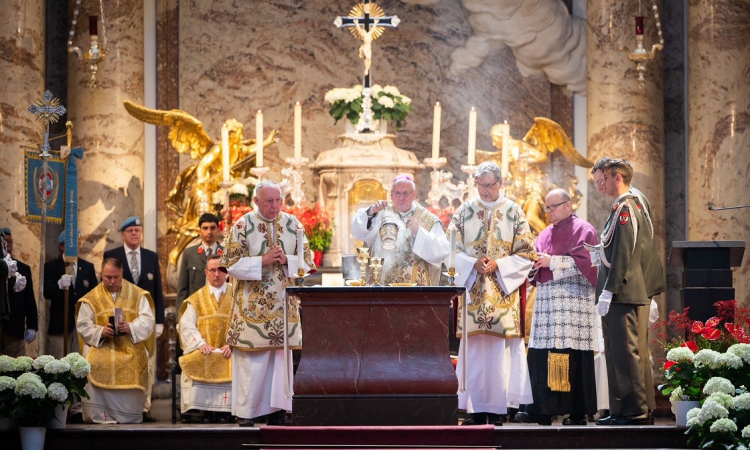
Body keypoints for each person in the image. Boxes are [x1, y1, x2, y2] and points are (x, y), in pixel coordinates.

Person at [220, 180, 315, 427]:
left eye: (278, 201)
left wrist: (288, 260)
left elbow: (307, 265)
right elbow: (229, 265)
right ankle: (248, 412)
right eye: (269, 201)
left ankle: (278, 411)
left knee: (280, 363)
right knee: (254, 363)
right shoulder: (242, 226)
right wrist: (261, 260)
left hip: (284, 307)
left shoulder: (294, 225)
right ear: (256, 202)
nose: (274, 206)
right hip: (252, 308)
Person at [450, 162, 536, 426]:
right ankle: (475, 409)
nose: (485, 191)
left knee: (500, 355)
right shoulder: (464, 212)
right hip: (473, 294)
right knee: (474, 354)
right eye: (481, 185)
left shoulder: (514, 211)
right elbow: (450, 250)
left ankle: (498, 410)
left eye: (490, 185)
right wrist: (471, 263)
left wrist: (500, 264)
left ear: (500, 183)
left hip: (502, 297)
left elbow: (527, 253)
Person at [592, 157, 664, 421]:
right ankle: (625, 409)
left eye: (602, 180)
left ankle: (636, 411)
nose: (599, 186)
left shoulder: (626, 208)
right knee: (619, 352)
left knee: (626, 352)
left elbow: (625, 253)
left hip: (624, 291)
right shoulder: (628, 204)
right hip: (625, 289)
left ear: (616, 177)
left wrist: (609, 290)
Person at [521, 189, 599, 426]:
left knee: (572, 356)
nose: (549, 212)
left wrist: (552, 261)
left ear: (568, 205)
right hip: (546, 307)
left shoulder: (585, 230)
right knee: (543, 356)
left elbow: (590, 264)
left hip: (572, 306)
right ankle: (543, 409)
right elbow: (533, 267)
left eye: (553, 207)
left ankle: (576, 412)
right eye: (547, 208)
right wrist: (534, 264)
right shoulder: (544, 234)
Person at [76, 258, 155, 424]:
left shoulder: (137, 294)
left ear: (122, 274)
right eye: (107, 277)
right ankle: (99, 416)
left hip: (130, 347)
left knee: (136, 362)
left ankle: (129, 416)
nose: (111, 281)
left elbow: (148, 320)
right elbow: (83, 325)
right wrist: (100, 332)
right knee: (92, 364)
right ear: (101, 275)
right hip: (102, 347)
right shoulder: (91, 298)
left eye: (115, 277)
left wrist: (130, 328)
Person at [103, 216, 164, 422]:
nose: (135, 234)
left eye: (138, 230)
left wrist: (159, 321)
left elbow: (157, 291)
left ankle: (144, 407)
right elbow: (105, 288)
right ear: (123, 233)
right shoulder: (112, 255)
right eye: (130, 231)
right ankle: (120, 406)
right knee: (121, 363)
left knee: (146, 363)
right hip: (119, 320)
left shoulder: (150, 256)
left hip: (144, 322)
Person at [351, 174, 449, 286]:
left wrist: (419, 232)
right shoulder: (379, 212)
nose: (401, 197)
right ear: (391, 195)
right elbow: (358, 232)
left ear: (414, 194)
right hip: (380, 289)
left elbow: (442, 252)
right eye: (397, 193)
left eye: (406, 193)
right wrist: (370, 212)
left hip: (416, 290)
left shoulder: (428, 219)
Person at [178, 255, 233, 424]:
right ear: (206, 272)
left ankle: (228, 411)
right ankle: (204, 410)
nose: (217, 274)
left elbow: (244, 322)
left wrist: (233, 343)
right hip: (204, 349)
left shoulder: (238, 296)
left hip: (229, 350)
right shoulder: (196, 298)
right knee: (193, 359)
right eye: (213, 270)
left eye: (221, 270)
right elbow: (185, 324)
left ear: (228, 272)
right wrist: (199, 343)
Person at [43, 231, 98, 359]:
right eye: (71, 245)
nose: (76, 247)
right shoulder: (52, 267)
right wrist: (59, 285)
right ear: (62, 247)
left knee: (79, 363)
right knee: (58, 362)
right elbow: (46, 292)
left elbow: (94, 295)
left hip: (82, 324)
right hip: (60, 325)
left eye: (77, 244)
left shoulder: (87, 267)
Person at [0, 228, 37, 356]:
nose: (7, 245)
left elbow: (29, 299)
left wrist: (32, 325)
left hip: (15, 327)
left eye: (9, 242)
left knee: (14, 369)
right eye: (3, 242)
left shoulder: (22, 269)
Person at [176, 213, 223, 312]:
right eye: (205, 228)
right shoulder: (189, 253)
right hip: (195, 309)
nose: (209, 231)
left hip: (219, 308)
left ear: (218, 230)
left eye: (213, 228)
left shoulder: (226, 253)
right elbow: (182, 289)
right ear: (199, 231)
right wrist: (179, 318)